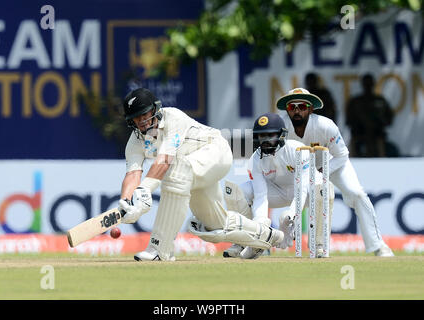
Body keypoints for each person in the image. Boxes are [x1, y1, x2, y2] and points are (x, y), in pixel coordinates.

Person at [118, 87, 284, 261]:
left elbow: (165, 159)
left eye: (145, 114)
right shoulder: (135, 142)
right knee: (215, 225)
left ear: (155, 109)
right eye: (137, 117)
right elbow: (132, 173)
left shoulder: (172, 117)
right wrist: (127, 201)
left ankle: (160, 250)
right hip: (191, 170)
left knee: (176, 172)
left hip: (215, 151)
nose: (142, 120)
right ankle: (268, 236)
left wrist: (145, 189)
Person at [276, 87, 394, 257]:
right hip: (299, 168)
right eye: (292, 107)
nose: (296, 111)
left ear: (310, 109)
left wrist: (322, 172)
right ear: (287, 110)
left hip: (332, 163)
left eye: (301, 106)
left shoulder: (324, 125)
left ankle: (378, 246)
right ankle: (308, 245)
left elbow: (342, 155)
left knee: (357, 194)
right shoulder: (281, 128)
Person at [222, 113, 335, 259]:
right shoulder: (256, 159)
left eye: (270, 135)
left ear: (281, 135)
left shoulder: (298, 150)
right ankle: (243, 241)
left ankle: (319, 245)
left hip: (307, 193)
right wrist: (260, 228)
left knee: (324, 190)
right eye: (262, 136)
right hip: (277, 192)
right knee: (239, 191)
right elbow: (261, 196)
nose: (266, 141)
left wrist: (289, 216)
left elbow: (303, 188)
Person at [346, 74, 395, 157]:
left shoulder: (380, 101)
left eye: (370, 83)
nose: (368, 86)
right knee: (353, 145)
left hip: (377, 136)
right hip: (359, 135)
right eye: (366, 84)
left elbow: (389, 119)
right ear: (362, 85)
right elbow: (349, 120)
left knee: (380, 143)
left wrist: (376, 123)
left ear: (373, 84)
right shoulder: (355, 101)